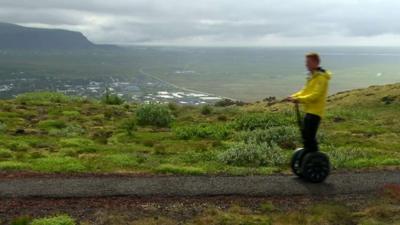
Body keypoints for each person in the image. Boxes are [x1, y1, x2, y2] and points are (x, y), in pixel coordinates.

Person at [285, 52, 331, 155]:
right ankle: (309, 156)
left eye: (308, 62)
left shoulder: (321, 78)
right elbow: (305, 91)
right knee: (306, 136)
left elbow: (315, 95)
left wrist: (299, 99)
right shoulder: (312, 77)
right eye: (306, 62)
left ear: (316, 63)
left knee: (309, 137)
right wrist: (294, 96)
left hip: (316, 112)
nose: (306, 64)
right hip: (309, 111)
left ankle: (315, 159)